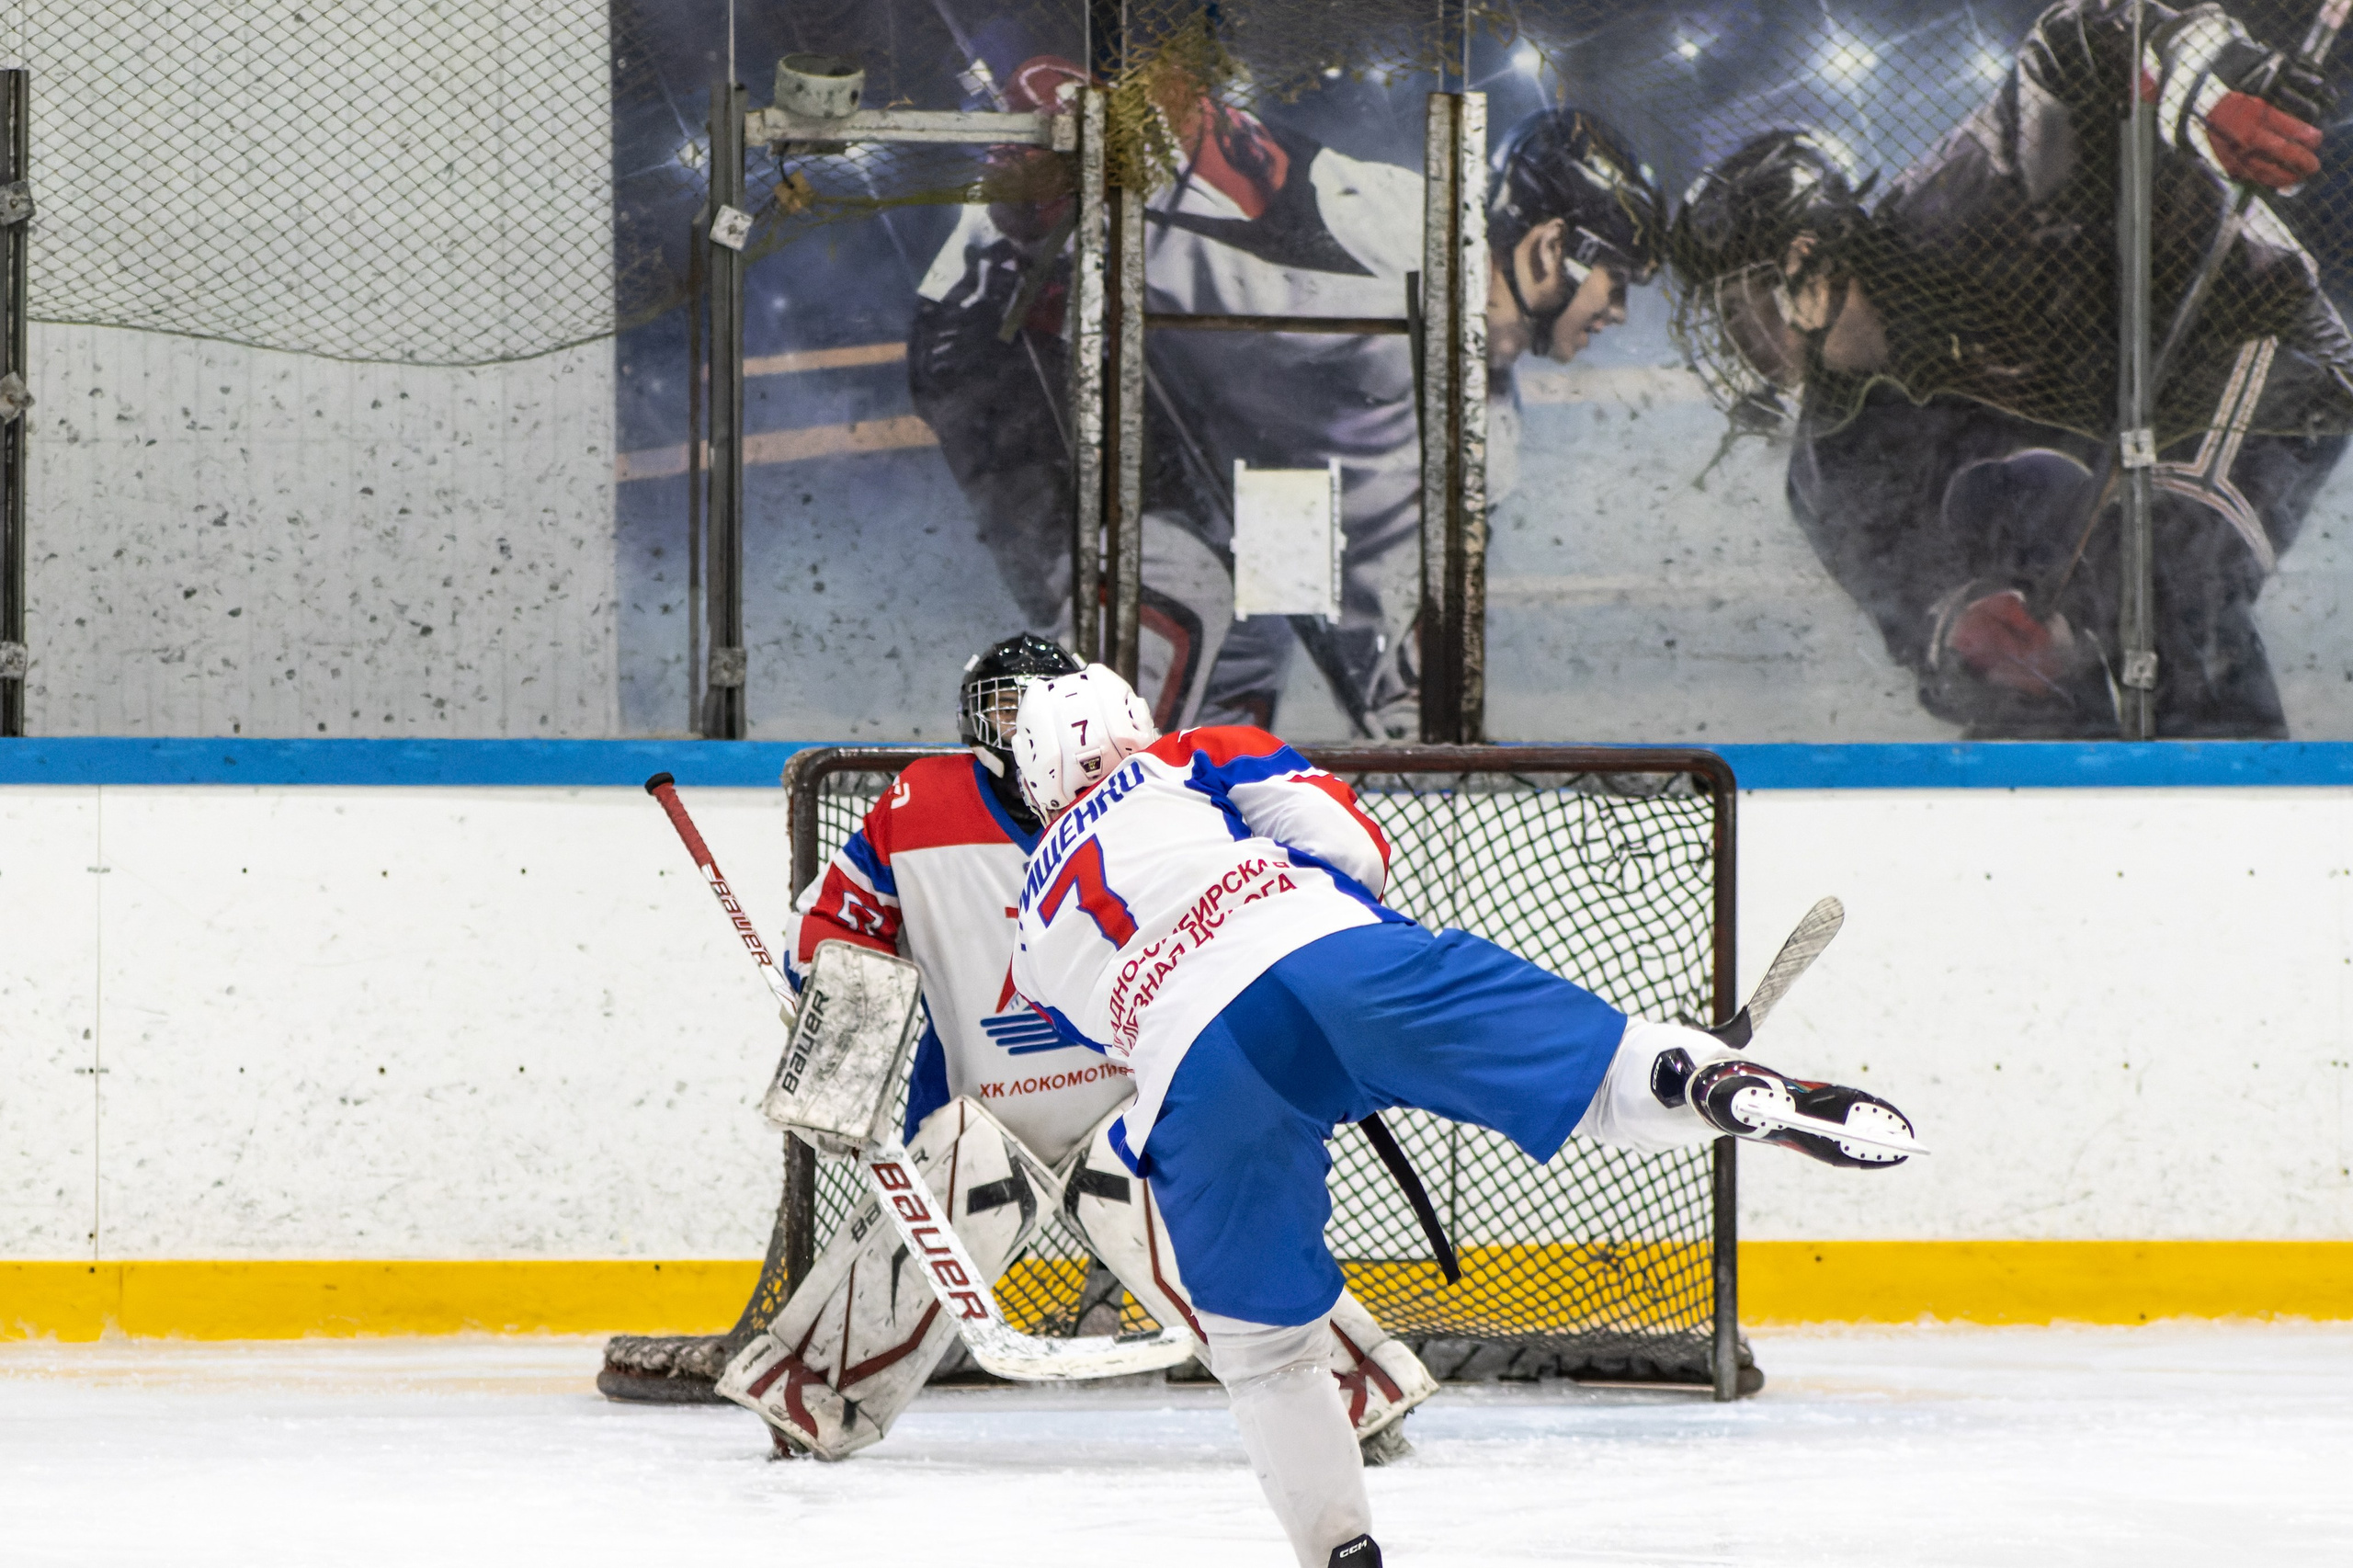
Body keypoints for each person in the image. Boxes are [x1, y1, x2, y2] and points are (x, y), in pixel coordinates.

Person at [1006, 664, 1917, 1568]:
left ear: (1036, 775)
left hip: (1196, 1077)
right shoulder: (1199, 754)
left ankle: (1339, 1552)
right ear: (1138, 715)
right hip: (1328, 956)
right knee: (1600, 1073)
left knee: (1265, 1355)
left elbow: (1108, 1034)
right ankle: (1706, 1083)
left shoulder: (1027, 928)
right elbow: (1354, 848)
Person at [715, 632, 1434, 1461]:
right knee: (953, 1178)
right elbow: (836, 922)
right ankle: (814, 1396)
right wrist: (830, 1005)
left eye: (1041, 704)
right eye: (1005, 706)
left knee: (1200, 1222)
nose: (1025, 724)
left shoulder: (1164, 794)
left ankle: (1347, 1387)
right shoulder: (916, 806)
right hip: (984, 1104)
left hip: (1144, 1094)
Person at [910, 62, 1664, 736]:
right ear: (1550, 248)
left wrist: (1421, 720)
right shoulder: (1386, 234)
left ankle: (1189, 854)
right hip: (1018, 324)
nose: (1621, 312)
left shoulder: (1485, 433)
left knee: (1249, 636)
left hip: (1186, 393)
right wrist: (1065, 125)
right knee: (1175, 600)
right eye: (1618, 280)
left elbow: (1396, 611)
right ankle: (1054, 849)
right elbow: (1141, 108)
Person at [1668, 0, 2352, 737]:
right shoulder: (1827, 467)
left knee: (2171, 572)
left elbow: (2070, 45)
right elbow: (1913, 613)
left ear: (1801, 268)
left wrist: (2207, 82)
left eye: (1739, 313)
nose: (1735, 351)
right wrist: (1969, 631)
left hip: (2246, 328)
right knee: (2023, 673)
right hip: (2105, 412)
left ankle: (2239, 798)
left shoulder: (1958, 207)